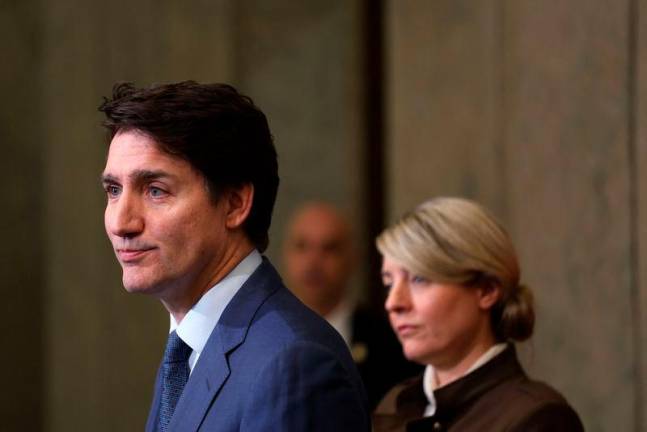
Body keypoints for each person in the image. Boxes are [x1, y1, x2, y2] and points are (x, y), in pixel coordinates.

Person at [98, 81, 370, 432]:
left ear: (235, 203)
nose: (121, 222)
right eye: (113, 190)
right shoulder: (187, 347)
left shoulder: (294, 364)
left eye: (155, 190)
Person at [372, 197, 584, 431]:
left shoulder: (538, 417)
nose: (393, 303)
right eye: (389, 284)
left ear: (486, 290)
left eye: (419, 279)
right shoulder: (394, 404)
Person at [283, 202, 421, 409]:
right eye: (302, 246)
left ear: (352, 259)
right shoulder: (256, 335)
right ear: (285, 254)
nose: (313, 262)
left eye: (329, 248)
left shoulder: (389, 341)